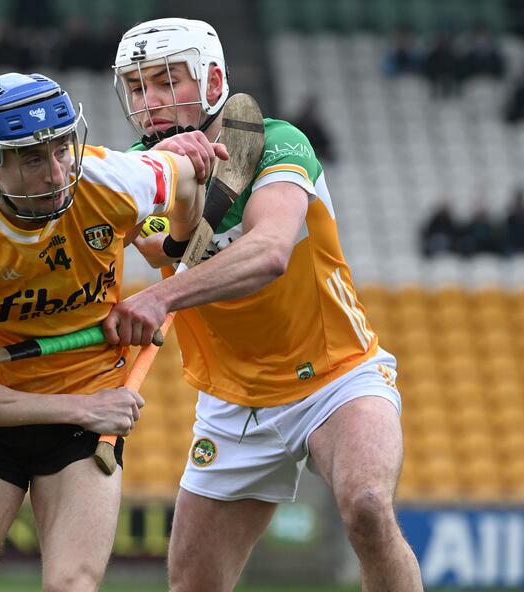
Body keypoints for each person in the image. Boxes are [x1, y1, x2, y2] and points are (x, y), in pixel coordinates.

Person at [103, 18, 423, 591]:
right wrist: (174, 202)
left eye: (167, 81)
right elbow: (154, 243)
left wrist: (159, 295)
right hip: (234, 400)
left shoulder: (280, 142)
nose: (148, 101)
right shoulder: (137, 170)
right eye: (136, 86)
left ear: (213, 80)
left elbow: (269, 251)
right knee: (193, 585)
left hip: (336, 373)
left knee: (369, 507)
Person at [0, 72, 222, 591]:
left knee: (71, 587)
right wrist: (82, 408)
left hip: (85, 410)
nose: (56, 174)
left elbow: (186, 177)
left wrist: (176, 249)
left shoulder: (111, 178)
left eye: (61, 150)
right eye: (33, 159)